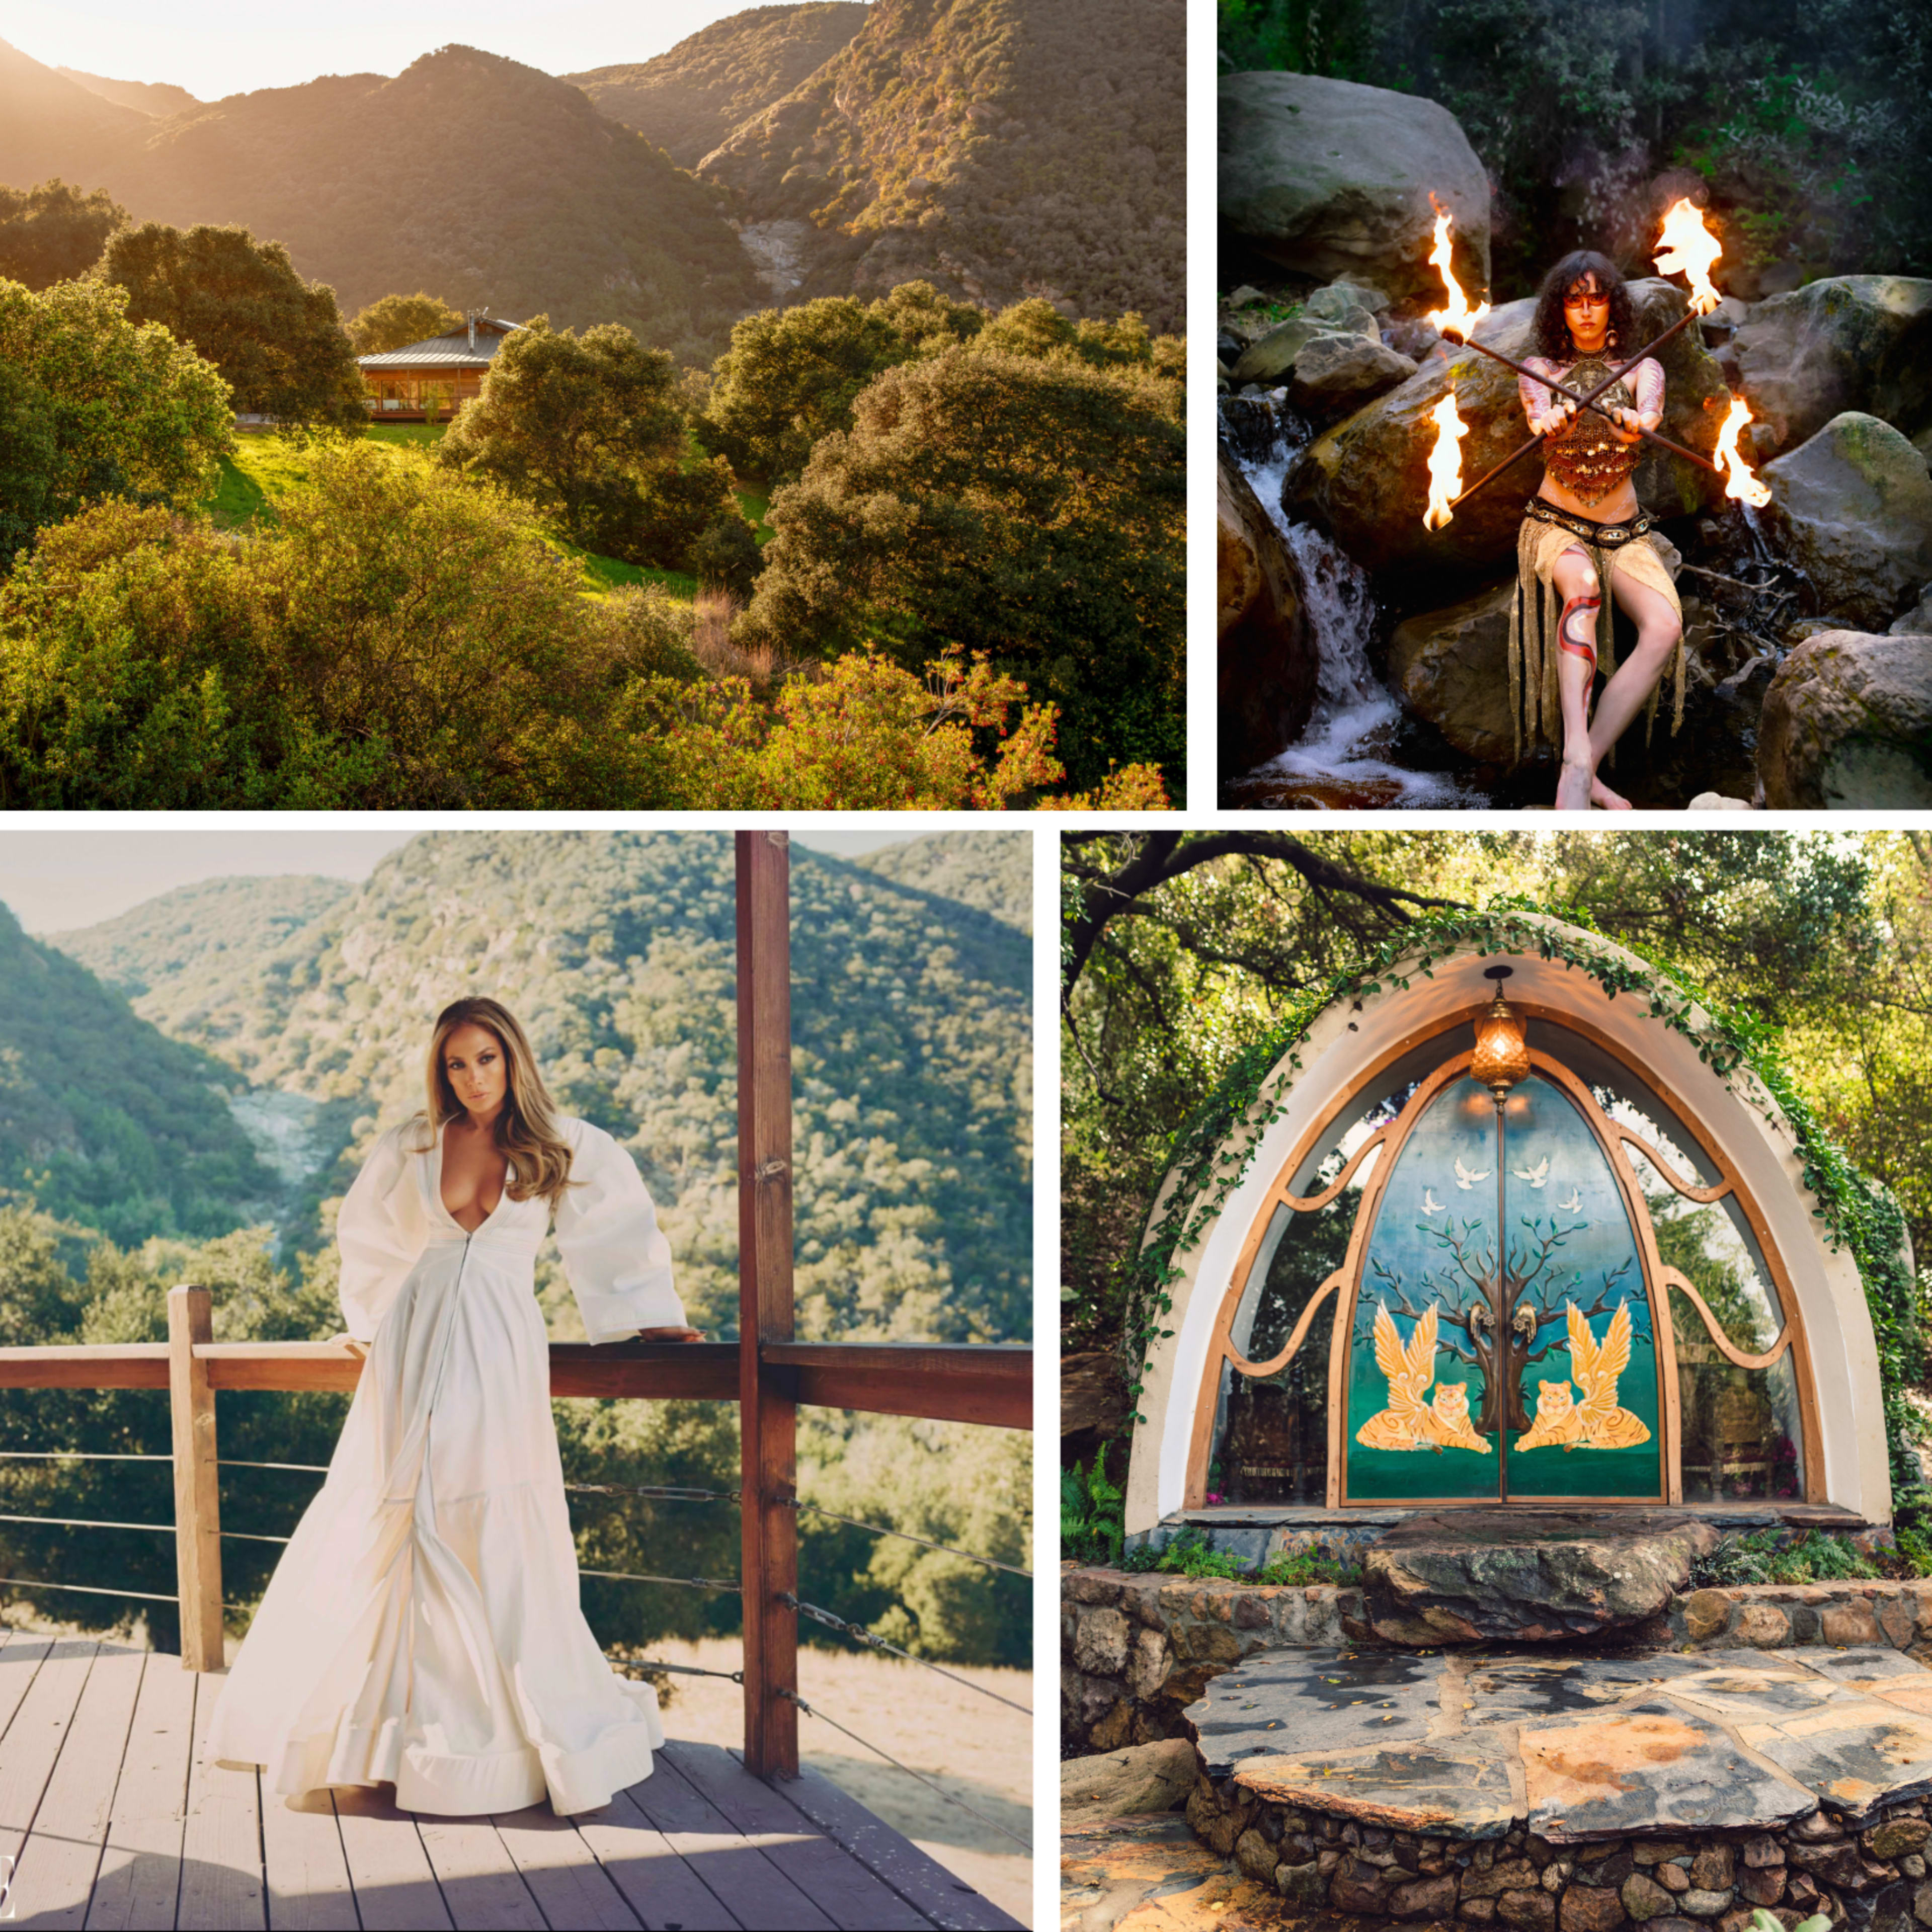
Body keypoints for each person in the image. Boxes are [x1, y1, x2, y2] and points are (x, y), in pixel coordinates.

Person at [208, 996, 702, 1817]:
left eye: (486, 1059)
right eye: (456, 1063)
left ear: (514, 1060)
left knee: (491, 1515)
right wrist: (369, 1323)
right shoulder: (412, 1144)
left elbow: (613, 1231)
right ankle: (379, 1728)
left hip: (501, 1353)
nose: (473, 1078)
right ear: (442, 1070)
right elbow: (367, 1235)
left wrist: (650, 1319)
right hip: (412, 1345)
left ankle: (490, 1724)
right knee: (394, 1514)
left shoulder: (565, 1145)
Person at [1508, 251, 1688, 811]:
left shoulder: (1643, 370)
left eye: (1597, 298)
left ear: (1614, 305)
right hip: (1555, 526)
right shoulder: (1539, 370)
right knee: (1581, 584)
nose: (1586, 312)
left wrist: (1637, 424)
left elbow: (1649, 418)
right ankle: (1578, 764)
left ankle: (1583, 765)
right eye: (1574, 300)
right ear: (1559, 309)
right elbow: (1539, 418)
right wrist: (1551, 423)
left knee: (1663, 626)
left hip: (1624, 532)